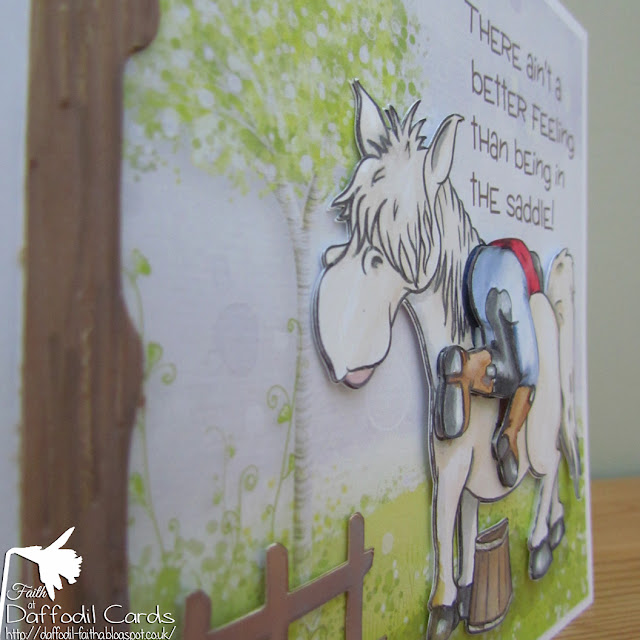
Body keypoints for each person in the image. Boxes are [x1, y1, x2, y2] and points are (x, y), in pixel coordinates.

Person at [435, 238, 543, 488]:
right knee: (526, 372)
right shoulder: (528, 279)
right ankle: (510, 435)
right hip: (509, 270)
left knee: (496, 350)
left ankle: (467, 365)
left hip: (478, 269)